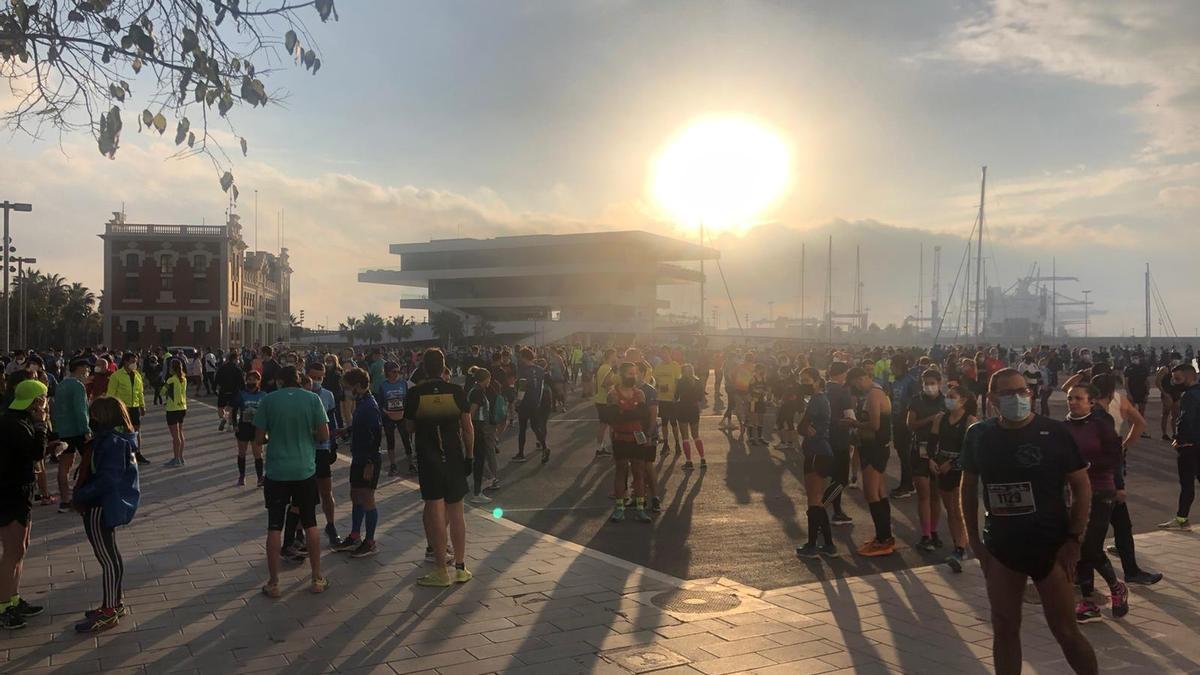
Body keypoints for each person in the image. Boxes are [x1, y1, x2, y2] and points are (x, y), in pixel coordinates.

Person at [962, 368, 1096, 675]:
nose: (1018, 398)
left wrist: (1074, 540)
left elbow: (1081, 486)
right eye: (1008, 393)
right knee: (1004, 628)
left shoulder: (1055, 432)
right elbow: (968, 487)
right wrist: (974, 541)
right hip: (1001, 547)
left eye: (1023, 391)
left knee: (1066, 632)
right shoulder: (979, 435)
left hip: (1050, 546)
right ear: (993, 398)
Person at [255, 365, 330, 597]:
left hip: (277, 471)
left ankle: (274, 582)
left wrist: (273, 434)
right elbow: (324, 435)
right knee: (311, 524)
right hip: (304, 470)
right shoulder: (312, 399)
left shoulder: (268, 401)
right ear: (299, 380)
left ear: (279, 381)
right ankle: (317, 578)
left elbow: (259, 439)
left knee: (274, 526)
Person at [405, 349, 474, 587]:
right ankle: (461, 567)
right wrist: (470, 456)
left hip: (429, 458)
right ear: (444, 367)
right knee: (457, 512)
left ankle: (441, 570)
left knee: (436, 510)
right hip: (454, 457)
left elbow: (409, 428)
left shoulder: (415, 394)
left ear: (424, 368)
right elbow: (467, 427)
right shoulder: (456, 391)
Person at [71, 397, 140, 633]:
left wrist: (80, 495)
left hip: (98, 505)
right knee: (111, 555)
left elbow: (106, 478)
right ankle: (114, 603)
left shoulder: (109, 442)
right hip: (107, 504)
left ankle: (110, 610)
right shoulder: (122, 439)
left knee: (107, 559)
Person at [1063, 383, 1129, 623]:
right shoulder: (1063, 428)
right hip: (1074, 494)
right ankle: (1088, 601)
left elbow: (1115, 456)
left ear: (1091, 402)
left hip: (1101, 490)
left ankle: (1115, 586)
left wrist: (1119, 485)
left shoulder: (1101, 425)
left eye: (1078, 398)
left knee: (1091, 545)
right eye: (1070, 398)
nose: (1073, 402)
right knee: (1078, 545)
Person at [0, 379, 48, 630]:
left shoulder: (18, 420)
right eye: (43, 399)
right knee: (12, 551)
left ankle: (14, 599)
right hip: (10, 493)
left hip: (21, 490)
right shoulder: (14, 424)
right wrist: (41, 424)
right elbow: (36, 452)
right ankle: (3, 606)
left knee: (21, 548)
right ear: (35, 401)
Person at [843, 367, 895, 556]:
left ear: (863, 378)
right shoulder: (873, 393)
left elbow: (875, 425)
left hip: (875, 449)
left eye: (856, 383)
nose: (856, 388)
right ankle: (884, 536)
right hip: (873, 447)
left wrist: (854, 424)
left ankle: (884, 539)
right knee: (879, 493)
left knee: (872, 494)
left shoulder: (874, 394)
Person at [333, 368, 383, 558]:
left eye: (347, 387)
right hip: (359, 456)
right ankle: (354, 535)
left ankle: (370, 542)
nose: (345, 391)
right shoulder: (361, 403)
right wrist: (346, 430)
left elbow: (376, 435)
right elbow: (361, 426)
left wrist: (370, 462)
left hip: (368, 459)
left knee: (367, 498)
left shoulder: (370, 406)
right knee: (356, 495)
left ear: (357, 386)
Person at [929, 384, 976, 572]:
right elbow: (931, 443)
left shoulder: (969, 420)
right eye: (947, 396)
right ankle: (956, 543)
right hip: (941, 466)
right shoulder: (940, 419)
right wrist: (931, 460)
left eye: (952, 396)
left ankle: (961, 548)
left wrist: (953, 463)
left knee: (958, 509)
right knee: (949, 509)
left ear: (963, 400)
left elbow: (969, 449)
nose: (948, 399)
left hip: (958, 468)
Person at [795, 368, 838, 558]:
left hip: (816, 452)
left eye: (807, 380)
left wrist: (803, 427)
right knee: (818, 501)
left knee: (813, 501)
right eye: (802, 380)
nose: (804, 384)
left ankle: (812, 545)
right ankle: (828, 544)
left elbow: (802, 425)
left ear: (816, 381)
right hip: (823, 451)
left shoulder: (816, 399)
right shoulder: (823, 399)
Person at [606, 361, 654, 523]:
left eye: (635, 373)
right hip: (620, 437)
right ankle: (619, 507)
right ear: (621, 375)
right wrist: (632, 413)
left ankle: (640, 508)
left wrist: (624, 412)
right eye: (630, 374)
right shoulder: (613, 394)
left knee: (639, 471)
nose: (633, 376)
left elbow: (643, 414)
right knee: (621, 470)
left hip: (637, 437)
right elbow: (613, 417)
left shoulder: (640, 393)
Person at [907, 369, 946, 552]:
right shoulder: (916, 400)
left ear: (939, 382)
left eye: (932, 382)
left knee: (935, 495)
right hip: (920, 449)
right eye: (925, 383)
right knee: (923, 493)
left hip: (939, 450)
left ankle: (934, 530)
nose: (928, 386)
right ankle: (926, 534)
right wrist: (930, 419)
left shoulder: (946, 401)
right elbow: (911, 424)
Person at [305, 363, 341, 548]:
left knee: (326, 491)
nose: (318, 381)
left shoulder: (328, 395)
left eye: (321, 377)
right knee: (305, 494)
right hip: (304, 450)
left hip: (322, 449)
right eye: (314, 377)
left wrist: (333, 445)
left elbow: (332, 421)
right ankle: (303, 530)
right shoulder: (301, 396)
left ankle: (331, 525)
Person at [1160, 363, 1200, 529]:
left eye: (1178, 379)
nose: (1175, 382)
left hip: (1189, 446)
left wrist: (1178, 439)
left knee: (1187, 484)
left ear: (1189, 377)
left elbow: (1185, 420)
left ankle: (1182, 518)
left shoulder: (1189, 395)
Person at [52, 359, 91, 512]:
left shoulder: (61, 385)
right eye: (86, 368)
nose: (88, 372)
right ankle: (83, 497)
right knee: (88, 464)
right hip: (78, 430)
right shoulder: (78, 386)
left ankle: (65, 500)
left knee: (64, 466)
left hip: (63, 431)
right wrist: (86, 430)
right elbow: (80, 411)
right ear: (80, 369)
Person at [825, 361, 855, 525]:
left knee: (834, 477)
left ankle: (837, 511)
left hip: (827, 439)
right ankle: (823, 508)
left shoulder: (825, 389)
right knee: (842, 479)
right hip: (841, 438)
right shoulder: (843, 392)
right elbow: (850, 417)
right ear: (841, 374)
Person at [107, 353, 150, 465]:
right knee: (122, 431)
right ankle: (122, 454)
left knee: (136, 431)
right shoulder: (116, 376)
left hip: (135, 407)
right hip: (121, 408)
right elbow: (111, 394)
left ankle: (137, 453)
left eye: (135, 361)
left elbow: (140, 392)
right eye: (132, 361)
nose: (134, 364)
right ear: (125, 362)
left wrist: (142, 405)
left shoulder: (137, 375)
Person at [467, 368, 501, 504]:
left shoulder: (476, 390)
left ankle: (480, 488)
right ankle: (478, 491)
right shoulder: (477, 392)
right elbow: (471, 412)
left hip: (479, 426)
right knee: (479, 460)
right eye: (489, 379)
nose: (490, 381)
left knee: (480, 459)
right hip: (477, 427)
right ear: (485, 379)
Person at [889, 355, 920, 499]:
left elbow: (916, 401)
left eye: (893, 366)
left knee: (906, 455)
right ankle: (907, 483)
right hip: (896, 421)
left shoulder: (911, 382)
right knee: (901, 453)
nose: (891, 369)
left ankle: (907, 485)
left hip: (905, 422)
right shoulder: (895, 382)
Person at [514, 347, 551, 464]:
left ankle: (521, 453)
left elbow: (522, 388)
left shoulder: (523, 370)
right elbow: (540, 387)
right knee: (535, 426)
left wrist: (518, 401)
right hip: (535, 402)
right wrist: (537, 400)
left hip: (525, 402)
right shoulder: (540, 370)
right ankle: (545, 447)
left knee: (522, 428)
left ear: (524, 357)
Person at [377, 362, 414, 476]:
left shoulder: (403, 383)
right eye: (394, 372)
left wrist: (407, 414)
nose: (397, 374)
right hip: (389, 417)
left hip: (402, 416)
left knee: (406, 439)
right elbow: (380, 403)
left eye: (399, 371)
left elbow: (408, 399)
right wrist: (385, 412)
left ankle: (411, 464)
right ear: (387, 373)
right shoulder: (383, 385)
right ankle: (393, 465)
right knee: (390, 440)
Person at [232, 371, 267, 487]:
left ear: (258, 381)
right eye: (249, 379)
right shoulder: (241, 394)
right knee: (242, 453)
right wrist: (235, 424)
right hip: (243, 427)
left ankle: (260, 477)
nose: (251, 382)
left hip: (257, 428)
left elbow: (268, 412)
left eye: (254, 380)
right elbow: (235, 409)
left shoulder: (263, 395)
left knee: (258, 453)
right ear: (246, 380)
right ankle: (242, 476)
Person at [674, 363, 706, 471]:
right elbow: (701, 398)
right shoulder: (697, 382)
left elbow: (676, 396)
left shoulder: (680, 382)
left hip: (683, 409)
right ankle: (702, 459)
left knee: (685, 437)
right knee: (696, 435)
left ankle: (689, 461)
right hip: (694, 409)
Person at [161, 357, 188, 467]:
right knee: (181, 433)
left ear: (172, 368)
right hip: (182, 407)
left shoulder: (171, 380)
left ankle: (176, 458)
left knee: (175, 436)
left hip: (172, 408)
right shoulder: (183, 379)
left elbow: (163, 391)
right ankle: (181, 457)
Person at [592, 349, 619, 456]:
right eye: (615, 355)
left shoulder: (601, 368)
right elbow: (607, 385)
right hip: (606, 401)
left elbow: (597, 384)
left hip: (600, 400)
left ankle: (599, 448)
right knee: (612, 426)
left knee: (603, 425)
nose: (616, 357)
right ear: (611, 356)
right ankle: (614, 447)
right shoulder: (608, 369)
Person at [216, 352, 245, 432]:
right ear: (235, 359)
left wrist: (215, 388)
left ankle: (224, 418)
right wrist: (244, 390)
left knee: (221, 407)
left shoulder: (222, 368)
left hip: (223, 390)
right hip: (234, 391)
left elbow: (217, 379)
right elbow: (241, 382)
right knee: (232, 408)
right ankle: (230, 424)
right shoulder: (237, 369)